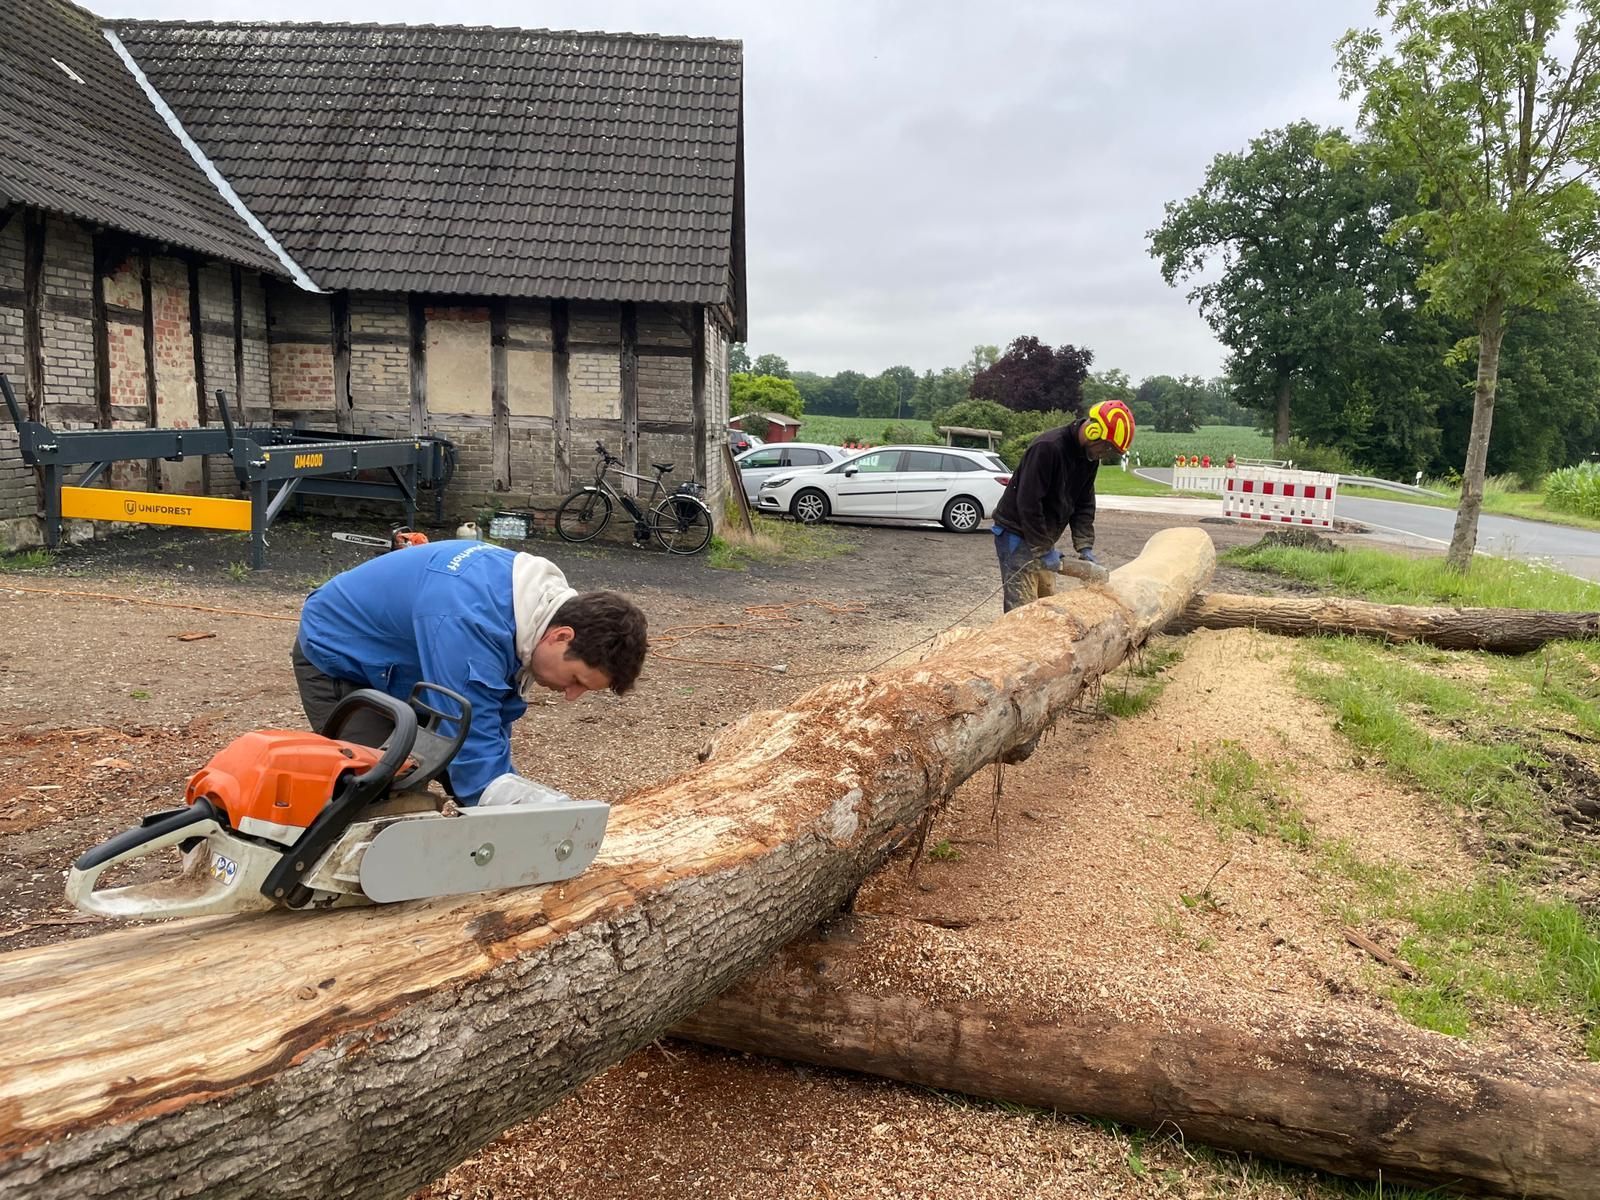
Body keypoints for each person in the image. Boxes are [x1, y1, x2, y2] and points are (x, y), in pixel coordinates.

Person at [292, 540, 648, 803]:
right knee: (381, 793)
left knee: (436, 769)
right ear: (561, 637)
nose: (571, 696)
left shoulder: (536, 608)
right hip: (341, 654)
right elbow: (473, 741)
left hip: (416, 659)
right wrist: (517, 815)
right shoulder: (471, 621)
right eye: (576, 680)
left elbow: (487, 719)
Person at [990, 398, 1136, 612]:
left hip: (1042, 536)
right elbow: (1029, 503)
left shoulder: (1089, 458)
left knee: (1047, 601)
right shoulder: (1047, 448)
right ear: (1094, 432)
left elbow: (1084, 503)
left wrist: (1084, 545)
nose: (1105, 454)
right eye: (1108, 448)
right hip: (1016, 532)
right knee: (1023, 608)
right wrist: (1043, 548)